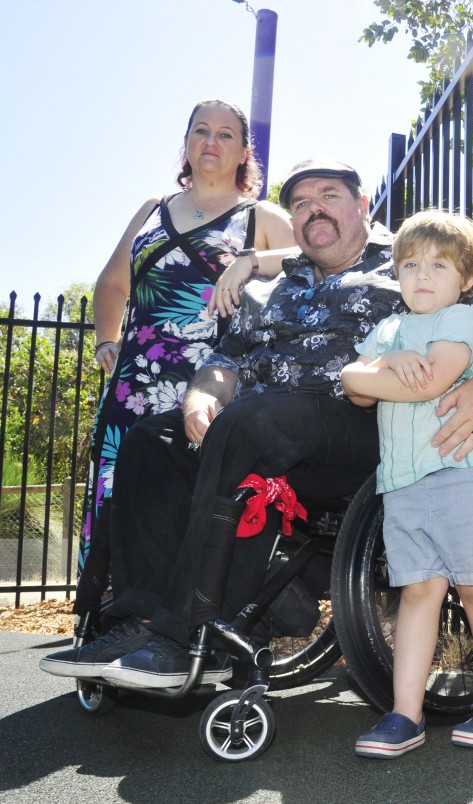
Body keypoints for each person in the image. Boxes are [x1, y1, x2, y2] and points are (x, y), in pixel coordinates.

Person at [41, 159, 473, 687]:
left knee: (253, 422)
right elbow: (225, 361)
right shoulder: (271, 288)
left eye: (330, 195)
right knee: (154, 438)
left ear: (362, 206)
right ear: (291, 223)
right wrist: (202, 397)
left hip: (359, 422)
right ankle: (142, 619)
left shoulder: (406, 261)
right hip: (260, 428)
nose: (315, 207)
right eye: (300, 202)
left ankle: (188, 634)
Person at [77, 98, 296, 617]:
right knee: (114, 490)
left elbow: (314, 254)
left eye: (225, 134)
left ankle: (170, 619)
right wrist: (107, 340)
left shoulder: (259, 217)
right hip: (132, 382)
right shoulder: (152, 209)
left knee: (181, 496)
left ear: (244, 151)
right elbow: (112, 283)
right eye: (201, 131)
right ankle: (104, 612)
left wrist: (252, 260)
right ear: (186, 143)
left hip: (208, 380)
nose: (211, 142)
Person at [342, 210, 473, 758]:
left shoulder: (462, 320)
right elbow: (352, 384)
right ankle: (404, 714)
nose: (422, 275)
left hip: (462, 474)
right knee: (418, 593)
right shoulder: (387, 330)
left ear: (467, 278)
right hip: (402, 483)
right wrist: (390, 361)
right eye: (410, 264)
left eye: (439, 265)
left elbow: (435, 380)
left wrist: (379, 374)